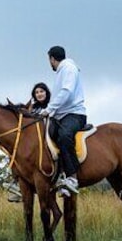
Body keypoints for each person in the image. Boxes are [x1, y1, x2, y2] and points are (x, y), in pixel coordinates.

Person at [41, 46, 85, 198]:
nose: (50, 63)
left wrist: (49, 109)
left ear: (52, 59)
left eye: (50, 60)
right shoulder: (62, 71)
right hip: (61, 115)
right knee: (43, 136)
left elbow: (67, 92)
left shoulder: (68, 69)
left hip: (74, 114)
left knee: (64, 136)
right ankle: (60, 177)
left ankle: (72, 178)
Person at [6, 82, 51, 203]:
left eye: (41, 91)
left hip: (47, 134)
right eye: (37, 92)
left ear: (46, 92)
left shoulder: (51, 105)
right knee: (14, 153)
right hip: (34, 138)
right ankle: (16, 182)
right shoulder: (33, 108)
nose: (39, 94)